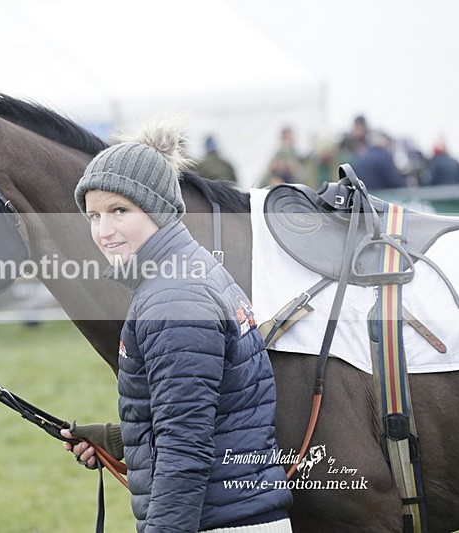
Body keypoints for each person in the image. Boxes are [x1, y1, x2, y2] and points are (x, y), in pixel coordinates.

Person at [62, 124, 292, 532]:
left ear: (157, 208)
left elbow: (185, 451)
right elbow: (211, 412)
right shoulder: (185, 271)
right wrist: (121, 440)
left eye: (119, 210)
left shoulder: (173, 300)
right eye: (94, 215)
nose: (103, 230)